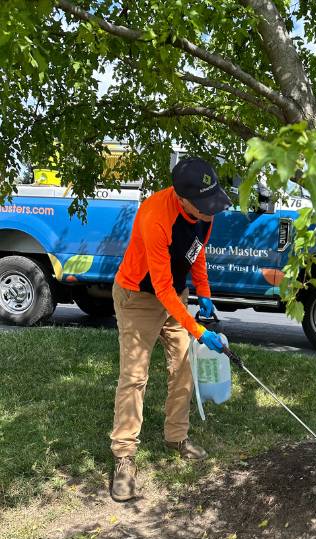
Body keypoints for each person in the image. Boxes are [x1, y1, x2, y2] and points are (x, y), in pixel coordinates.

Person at [109, 157, 231, 502]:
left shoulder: (204, 215)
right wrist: (195, 327)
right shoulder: (155, 217)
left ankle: (176, 437)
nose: (212, 212)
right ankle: (124, 457)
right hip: (139, 296)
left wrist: (204, 294)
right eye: (205, 206)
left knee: (183, 368)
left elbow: (198, 254)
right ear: (181, 199)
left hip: (176, 294)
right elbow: (160, 287)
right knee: (134, 375)